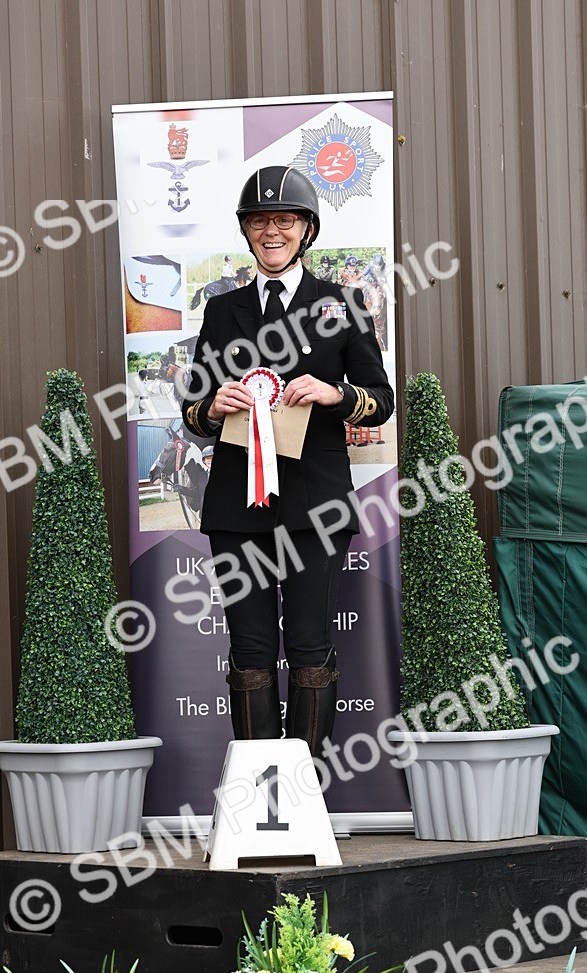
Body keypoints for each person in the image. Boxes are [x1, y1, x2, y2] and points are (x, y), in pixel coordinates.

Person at [180, 165, 393, 757]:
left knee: (307, 646)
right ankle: (255, 791)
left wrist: (336, 394)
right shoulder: (222, 311)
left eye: (284, 219)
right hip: (237, 505)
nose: (271, 230)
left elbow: (382, 402)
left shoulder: (343, 304)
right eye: (259, 221)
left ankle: (302, 794)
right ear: (246, 232)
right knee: (248, 650)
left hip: (314, 504)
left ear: (305, 229)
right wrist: (212, 406)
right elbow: (192, 409)